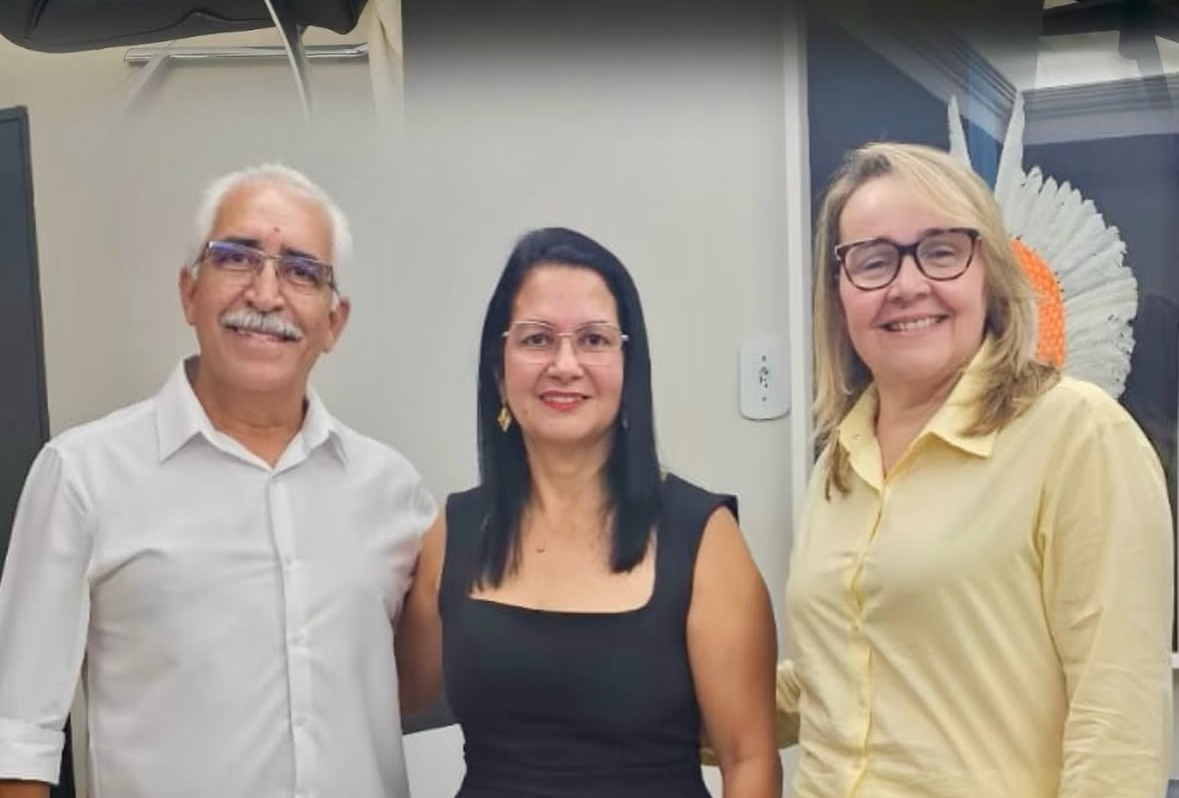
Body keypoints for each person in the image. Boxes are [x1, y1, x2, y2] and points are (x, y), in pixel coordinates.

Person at [0, 164, 436, 798]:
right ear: (189, 292)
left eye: (301, 271)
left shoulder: (393, 491)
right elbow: (17, 734)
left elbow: (403, 690)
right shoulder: (83, 476)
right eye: (237, 258)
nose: (266, 294)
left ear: (334, 322)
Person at [778, 141, 1174, 797]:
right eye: (873, 261)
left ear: (988, 271)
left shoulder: (1078, 435)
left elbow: (1117, 724)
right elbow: (832, 675)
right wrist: (641, 687)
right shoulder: (838, 460)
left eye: (940, 251)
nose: (907, 285)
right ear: (838, 292)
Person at [396, 226, 781, 798]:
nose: (565, 364)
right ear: (499, 371)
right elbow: (393, 697)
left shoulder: (703, 538)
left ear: (629, 369)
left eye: (594, 340)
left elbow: (748, 759)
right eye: (536, 339)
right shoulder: (453, 533)